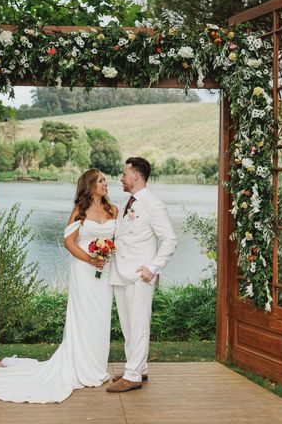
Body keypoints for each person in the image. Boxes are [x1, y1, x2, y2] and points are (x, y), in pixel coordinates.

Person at [0, 168, 117, 403]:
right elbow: (69, 243)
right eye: (101, 180)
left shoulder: (113, 210)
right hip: (84, 270)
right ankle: (81, 366)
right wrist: (91, 259)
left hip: (105, 271)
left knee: (101, 317)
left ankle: (96, 365)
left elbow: (117, 239)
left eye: (105, 180)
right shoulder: (79, 211)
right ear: (90, 186)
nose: (106, 183)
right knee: (85, 316)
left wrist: (107, 254)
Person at [106, 157, 177, 393]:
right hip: (120, 273)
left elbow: (169, 239)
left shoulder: (153, 204)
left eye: (125, 174)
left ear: (136, 175)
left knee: (138, 324)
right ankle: (137, 367)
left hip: (140, 275)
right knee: (128, 326)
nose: (121, 178)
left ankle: (133, 375)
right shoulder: (126, 203)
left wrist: (153, 268)